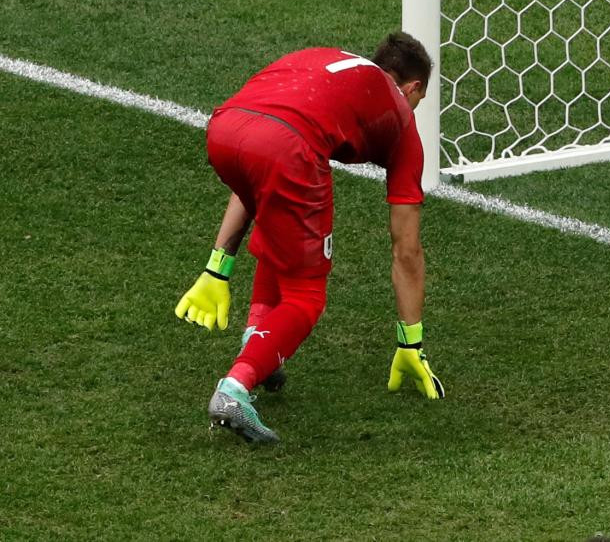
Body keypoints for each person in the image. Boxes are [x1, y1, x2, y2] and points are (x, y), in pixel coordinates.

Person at [174, 31, 444, 445]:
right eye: (417, 101)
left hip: (225, 128)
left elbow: (258, 168)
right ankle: (234, 389)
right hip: (285, 148)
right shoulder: (402, 121)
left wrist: (219, 264)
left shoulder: (324, 59)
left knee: (280, 216)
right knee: (307, 296)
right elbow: (406, 248)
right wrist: (411, 342)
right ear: (413, 88)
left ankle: (259, 342)